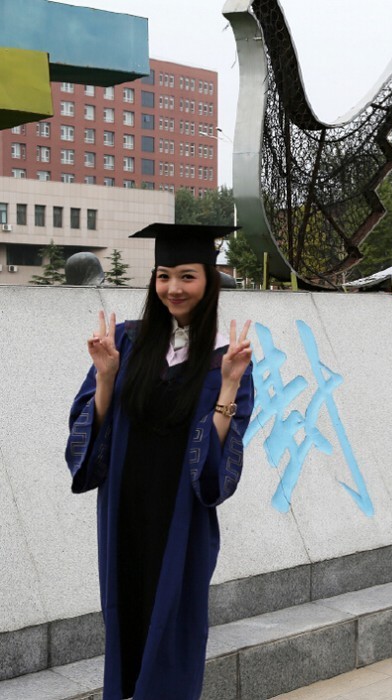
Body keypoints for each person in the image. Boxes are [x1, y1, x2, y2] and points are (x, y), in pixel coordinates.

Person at [65, 223, 255, 699]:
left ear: (209, 280)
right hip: (126, 513)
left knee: (174, 629)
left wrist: (229, 386)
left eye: (187, 276)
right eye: (164, 275)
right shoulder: (126, 342)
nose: (173, 288)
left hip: (181, 522)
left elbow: (214, 476)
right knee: (127, 620)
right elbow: (86, 447)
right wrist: (106, 377)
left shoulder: (225, 357)